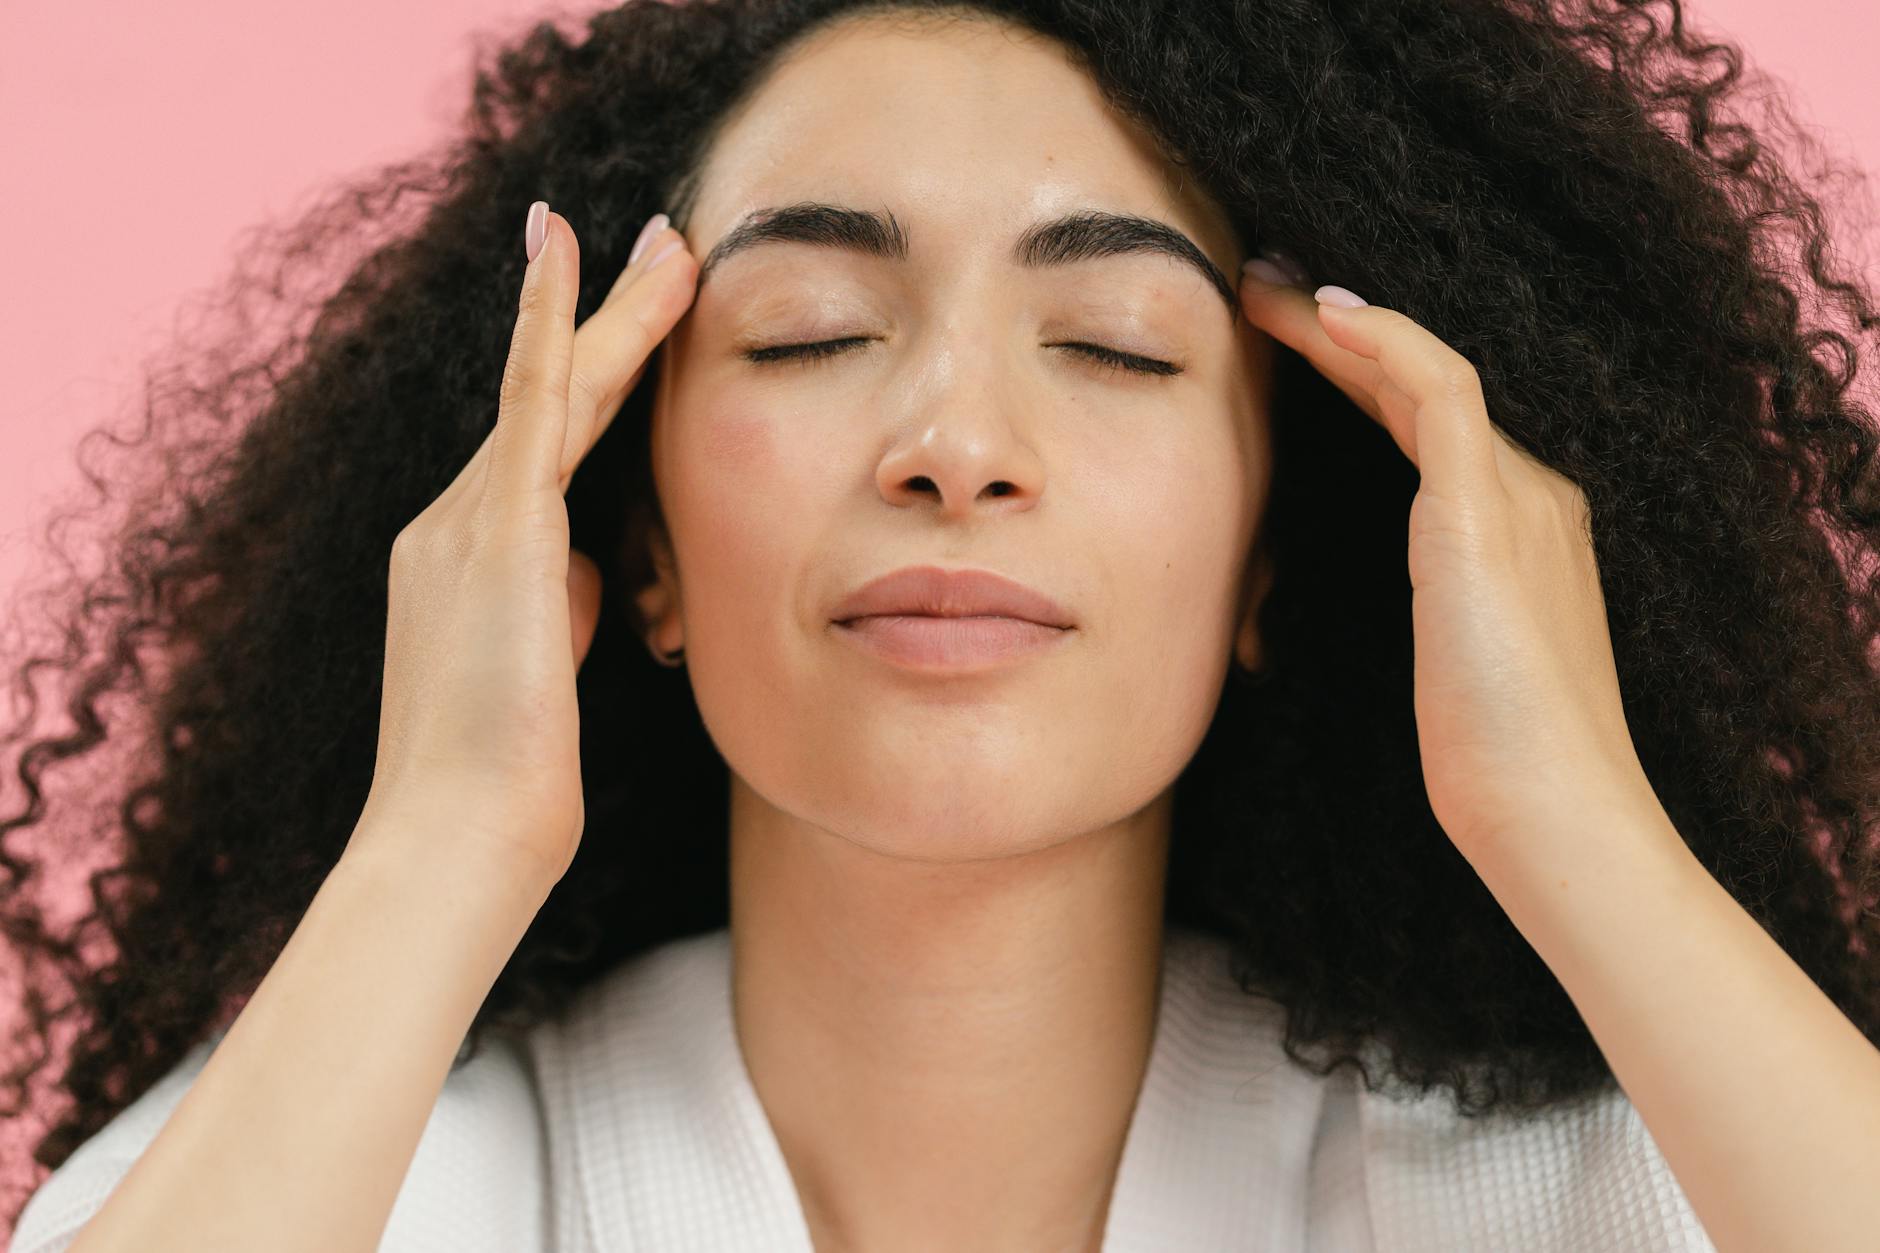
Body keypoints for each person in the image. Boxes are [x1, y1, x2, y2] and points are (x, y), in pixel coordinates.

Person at [8, 0, 1880, 1249]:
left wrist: (1574, 816)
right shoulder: (370, 1164)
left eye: (1118, 347)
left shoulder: (1574, 1178)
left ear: (1276, 562)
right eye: (812, 330)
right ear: (633, 537)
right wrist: (437, 842)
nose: (958, 447)